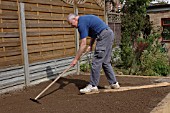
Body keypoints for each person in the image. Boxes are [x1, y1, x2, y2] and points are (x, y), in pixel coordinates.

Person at [67, 13, 120, 93]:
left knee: (96, 62)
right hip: (108, 34)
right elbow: (94, 33)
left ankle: (93, 85)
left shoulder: (81, 23)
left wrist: (75, 59)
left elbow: (83, 44)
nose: (72, 26)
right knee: (105, 62)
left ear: (75, 19)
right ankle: (114, 83)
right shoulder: (84, 20)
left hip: (104, 36)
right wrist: (91, 45)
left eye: (71, 24)